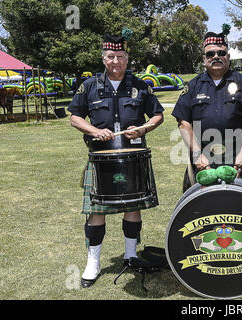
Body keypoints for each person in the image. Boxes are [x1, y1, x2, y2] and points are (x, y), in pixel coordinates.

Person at [67, 31, 164, 288]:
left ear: (127, 58)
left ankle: (131, 255)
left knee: (133, 206)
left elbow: (157, 116)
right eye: (111, 56)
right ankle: (93, 262)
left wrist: (143, 129)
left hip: (133, 156)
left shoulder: (141, 85)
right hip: (101, 158)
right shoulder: (89, 86)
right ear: (103, 58)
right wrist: (95, 131)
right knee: (96, 211)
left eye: (120, 56)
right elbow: (74, 116)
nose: (115, 61)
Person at [172, 25, 242, 194]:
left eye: (221, 53)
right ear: (204, 58)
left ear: (228, 56)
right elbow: (183, 122)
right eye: (211, 54)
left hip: (239, 156)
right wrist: (197, 155)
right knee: (201, 211)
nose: (216, 56)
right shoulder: (193, 86)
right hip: (203, 159)